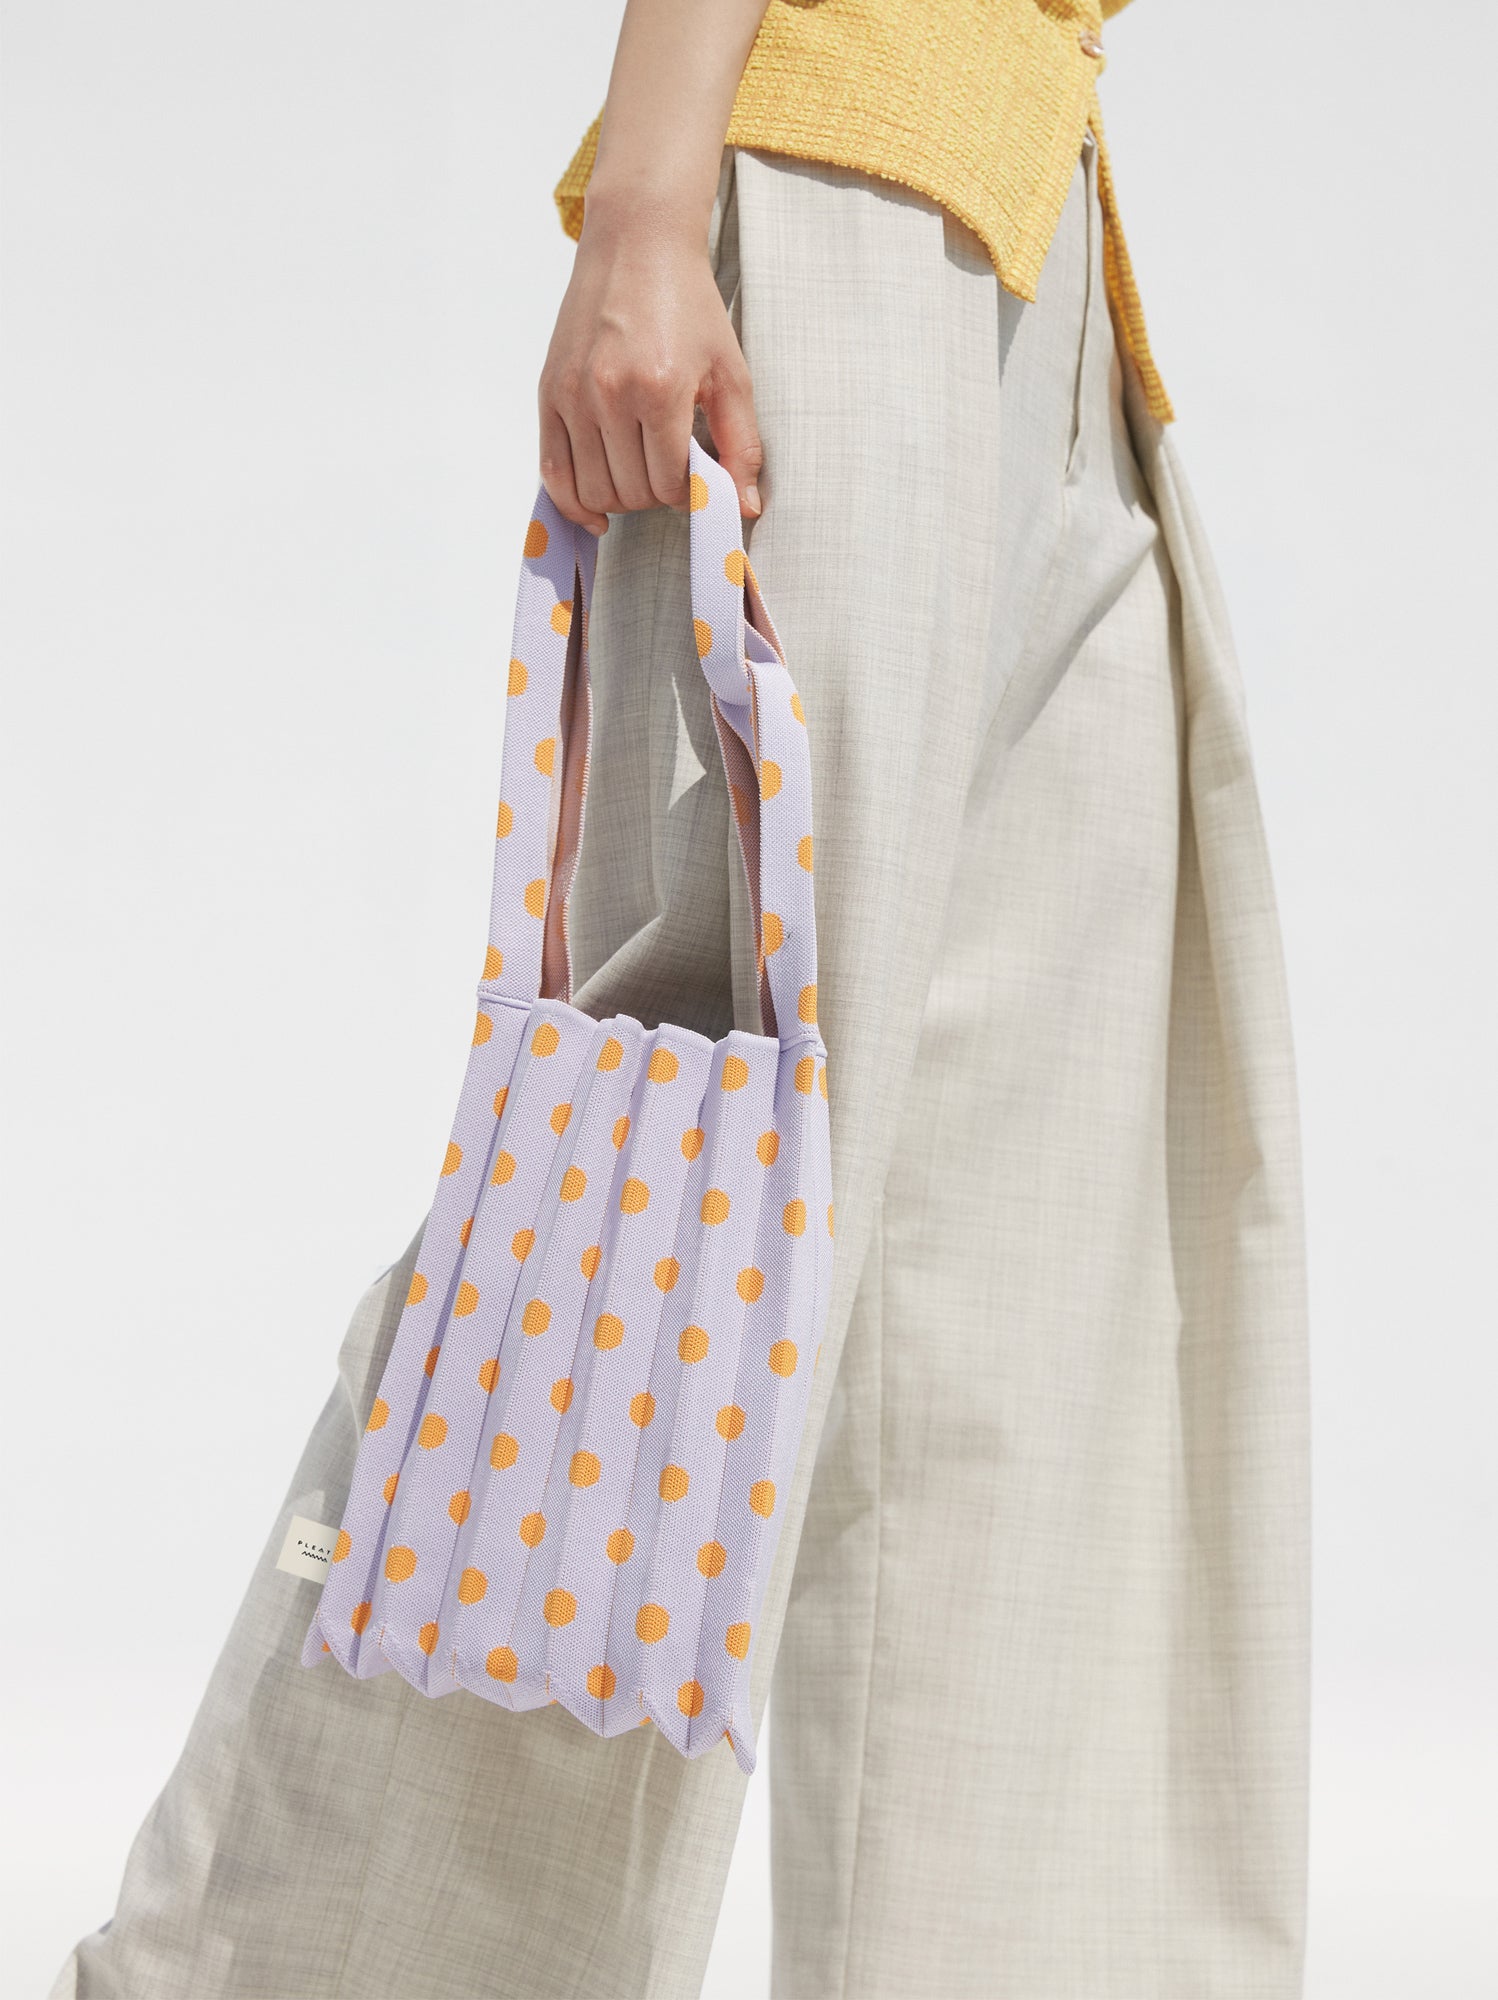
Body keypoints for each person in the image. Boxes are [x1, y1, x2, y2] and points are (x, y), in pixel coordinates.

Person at [51, 3, 1312, 1996]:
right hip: (833, 217)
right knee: (651, 1251)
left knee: (1032, 1280)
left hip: (1044, 233)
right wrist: (647, 201)